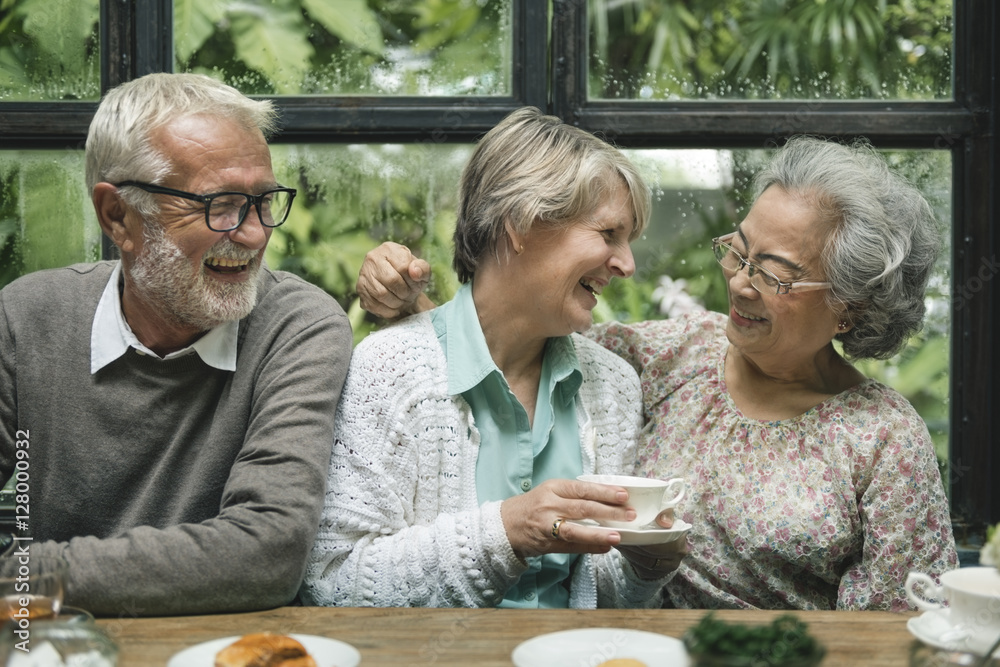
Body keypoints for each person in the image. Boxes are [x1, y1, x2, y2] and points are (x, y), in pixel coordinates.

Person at [354, 135, 959, 611]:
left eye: (773, 272)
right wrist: (410, 303)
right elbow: (512, 329)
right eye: (738, 250)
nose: (739, 282)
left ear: (851, 304)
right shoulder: (677, 354)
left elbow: (903, 626)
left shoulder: (883, 438)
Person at [300, 107, 687, 610]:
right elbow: (332, 584)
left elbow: (603, 597)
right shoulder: (388, 369)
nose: (627, 264)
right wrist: (508, 531)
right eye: (608, 234)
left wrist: (645, 566)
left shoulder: (611, 384)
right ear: (521, 223)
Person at [0, 73, 352, 616]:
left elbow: (267, 553)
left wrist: (26, 575)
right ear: (119, 216)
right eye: (220, 205)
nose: (255, 233)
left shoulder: (297, 325)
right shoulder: (26, 319)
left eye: (263, 202)